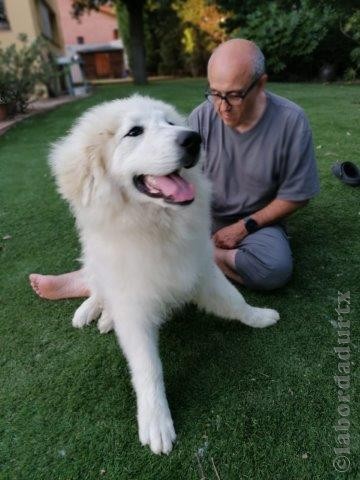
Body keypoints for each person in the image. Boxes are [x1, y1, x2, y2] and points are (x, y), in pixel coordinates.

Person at [29, 38, 319, 299]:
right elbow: (177, 173)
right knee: (144, 236)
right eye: (214, 93)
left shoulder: (291, 122)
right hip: (199, 213)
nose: (222, 107)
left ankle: (195, 260)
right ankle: (91, 280)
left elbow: (297, 195)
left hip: (255, 222)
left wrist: (244, 228)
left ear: (261, 84)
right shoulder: (202, 116)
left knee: (274, 269)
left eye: (234, 95)